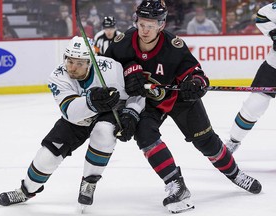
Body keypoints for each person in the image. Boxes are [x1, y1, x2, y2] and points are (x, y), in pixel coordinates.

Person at [105, 0, 262, 214]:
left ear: (162, 24)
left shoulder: (173, 46)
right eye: (142, 24)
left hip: (180, 99)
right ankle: (176, 185)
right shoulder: (122, 44)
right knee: (144, 135)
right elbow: (104, 73)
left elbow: (197, 74)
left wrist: (196, 83)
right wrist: (126, 73)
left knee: (207, 142)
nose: (145, 30)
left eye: (151, 25)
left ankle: (235, 174)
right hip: (148, 103)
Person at [0, 36, 145, 208]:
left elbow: (137, 92)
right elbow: (71, 112)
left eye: (79, 63)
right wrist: (92, 100)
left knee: (103, 132)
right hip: (78, 119)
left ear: (90, 62)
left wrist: (131, 113)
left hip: (107, 114)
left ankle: (89, 182)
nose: (72, 68)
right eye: (70, 62)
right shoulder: (58, 76)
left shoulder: (111, 68)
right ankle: (25, 191)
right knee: (47, 155)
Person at [226, 2, 276, 153]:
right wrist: (274, 32)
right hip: (274, 66)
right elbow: (262, 15)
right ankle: (233, 141)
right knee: (254, 105)